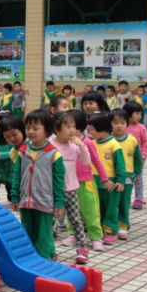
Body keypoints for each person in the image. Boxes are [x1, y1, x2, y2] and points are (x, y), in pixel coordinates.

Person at [9, 110, 65, 260]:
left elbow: (59, 180)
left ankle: (44, 260)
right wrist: (15, 195)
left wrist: (59, 201)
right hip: (26, 200)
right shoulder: (23, 151)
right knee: (27, 231)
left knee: (44, 233)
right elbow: (17, 175)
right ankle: (31, 258)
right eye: (28, 128)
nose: (31, 132)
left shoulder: (54, 154)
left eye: (36, 128)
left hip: (45, 200)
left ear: (47, 130)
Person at [48, 111, 90, 264]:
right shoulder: (50, 146)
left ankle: (81, 248)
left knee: (75, 219)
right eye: (67, 126)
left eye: (74, 126)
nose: (72, 130)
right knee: (50, 220)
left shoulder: (74, 146)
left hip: (71, 188)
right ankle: (49, 250)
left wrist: (82, 146)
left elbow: (86, 162)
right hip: (53, 189)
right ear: (56, 129)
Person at [67, 109, 109, 253]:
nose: (68, 129)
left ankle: (96, 238)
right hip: (70, 183)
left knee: (91, 211)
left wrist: (104, 178)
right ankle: (72, 234)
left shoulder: (87, 143)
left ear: (79, 126)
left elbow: (97, 162)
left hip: (86, 183)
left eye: (70, 126)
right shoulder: (64, 143)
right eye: (66, 126)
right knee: (72, 211)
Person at [86, 113, 125, 245]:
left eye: (92, 130)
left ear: (101, 128)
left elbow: (120, 164)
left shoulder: (114, 145)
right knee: (97, 207)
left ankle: (110, 231)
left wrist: (121, 180)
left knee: (110, 208)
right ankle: (99, 230)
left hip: (111, 183)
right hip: (94, 182)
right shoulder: (92, 143)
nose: (89, 133)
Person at [109, 108, 142, 241]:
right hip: (111, 179)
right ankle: (110, 227)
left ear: (127, 124)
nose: (119, 125)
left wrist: (135, 173)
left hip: (127, 179)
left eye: (122, 122)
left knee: (124, 203)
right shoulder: (108, 140)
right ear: (109, 124)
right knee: (111, 204)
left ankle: (123, 227)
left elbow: (138, 160)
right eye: (115, 122)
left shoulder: (132, 141)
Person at [123, 101, 147, 210]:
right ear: (128, 113)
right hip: (123, 159)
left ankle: (138, 199)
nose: (139, 116)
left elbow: (145, 144)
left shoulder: (141, 128)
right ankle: (124, 199)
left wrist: (143, 157)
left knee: (137, 179)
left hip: (137, 160)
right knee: (124, 179)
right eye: (137, 114)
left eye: (140, 114)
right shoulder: (122, 126)